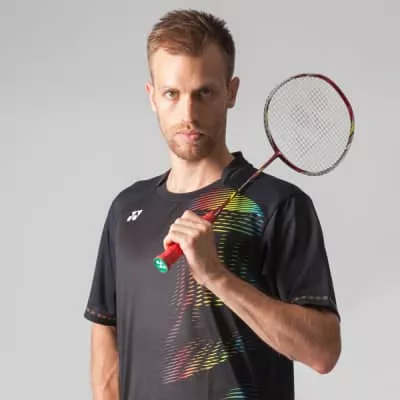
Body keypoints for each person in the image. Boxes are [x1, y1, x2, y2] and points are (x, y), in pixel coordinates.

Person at [84, 8, 341, 400]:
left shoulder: (278, 205)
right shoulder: (126, 210)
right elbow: (107, 345)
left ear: (231, 92)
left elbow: (323, 351)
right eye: (172, 94)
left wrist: (216, 276)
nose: (188, 114)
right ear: (152, 97)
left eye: (204, 92)